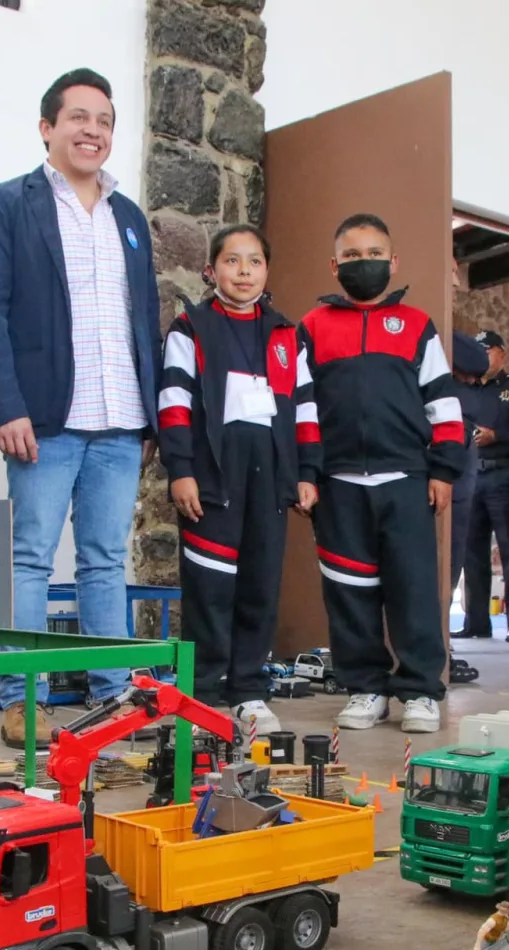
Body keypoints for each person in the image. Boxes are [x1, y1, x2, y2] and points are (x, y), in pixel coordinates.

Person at [0, 69, 164, 748]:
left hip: (120, 418)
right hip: (42, 418)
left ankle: (113, 699)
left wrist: (150, 418)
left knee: (106, 560)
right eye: (78, 117)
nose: (93, 130)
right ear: (47, 127)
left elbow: (144, 318)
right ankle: (23, 701)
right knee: (30, 559)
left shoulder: (127, 217)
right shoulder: (7, 206)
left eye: (104, 120)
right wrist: (4, 405)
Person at [301, 214, 466, 733]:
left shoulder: (417, 326)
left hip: (407, 480)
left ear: (392, 263)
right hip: (338, 483)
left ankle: (419, 690)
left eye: (373, 253)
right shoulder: (311, 328)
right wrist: (308, 472)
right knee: (348, 590)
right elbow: (300, 408)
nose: (363, 263)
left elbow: (443, 403)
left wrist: (443, 469)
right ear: (334, 266)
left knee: (413, 588)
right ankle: (365, 686)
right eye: (351, 256)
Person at [156, 225, 320, 737]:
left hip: (270, 483)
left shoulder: (287, 336)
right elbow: (175, 403)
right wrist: (181, 471)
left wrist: (307, 474)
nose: (243, 272)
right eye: (232, 261)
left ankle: (248, 690)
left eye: (254, 262)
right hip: (211, 483)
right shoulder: (191, 329)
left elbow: (308, 409)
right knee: (209, 588)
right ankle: (205, 693)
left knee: (258, 586)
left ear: (267, 271)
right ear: (211, 271)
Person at [459, 331, 509, 643]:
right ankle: (476, 623)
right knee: (471, 553)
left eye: (487, 351)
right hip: (474, 473)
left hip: (503, 475)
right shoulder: (466, 386)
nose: (483, 357)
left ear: (501, 353)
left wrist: (496, 435)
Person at [448, 331, 490, 641]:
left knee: (454, 556)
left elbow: (478, 361)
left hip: (460, 466)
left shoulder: (465, 392)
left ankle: (443, 647)